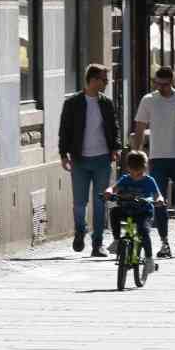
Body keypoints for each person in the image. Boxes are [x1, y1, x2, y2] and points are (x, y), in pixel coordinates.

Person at [132, 66, 175, 259]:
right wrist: (137, 155)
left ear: (172, 82)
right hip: (158, 157)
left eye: (164, 84)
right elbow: (139, 128)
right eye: (157, 83)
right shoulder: (148, 100)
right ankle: (164, 242)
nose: (160, 88)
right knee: (159, 201)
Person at [58, 64, 121, 257]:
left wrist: (116, 148)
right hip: (80, 159)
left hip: (102, 158)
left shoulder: (106, 103)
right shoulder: (73, 103)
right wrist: (63, 154)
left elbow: (114, 126)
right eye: (103, 79)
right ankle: (80, 230)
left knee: (101, 201)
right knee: (80, 202)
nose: (106, 82)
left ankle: (98, 244)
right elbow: (65, 129)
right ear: (92, 80)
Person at [104, 150, 165, 277]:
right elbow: (113, 188)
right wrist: (109, 191)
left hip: (143, 213)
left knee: (143, 231)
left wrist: (159, 200)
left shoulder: (149, 181)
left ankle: (149, 260)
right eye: (133, 172)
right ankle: (116, 241)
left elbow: (158, 195)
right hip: (127, 210)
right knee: (114, 212)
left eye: (139, 173)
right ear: (128, 169)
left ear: (144, 168)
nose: (136, 175)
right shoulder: (125, 179)